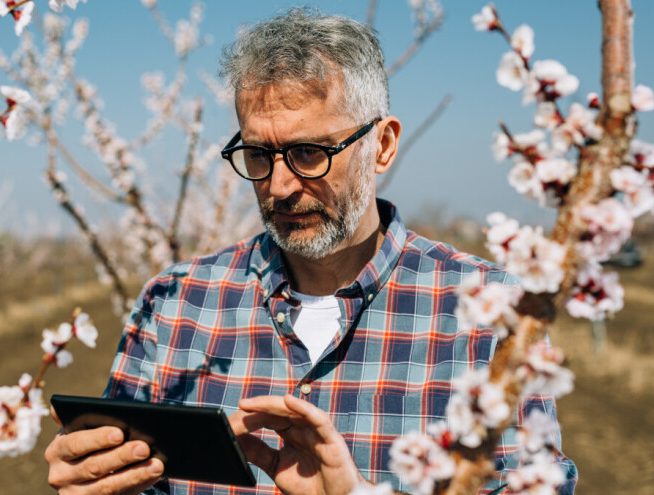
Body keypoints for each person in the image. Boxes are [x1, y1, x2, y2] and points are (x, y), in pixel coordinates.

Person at [45, 8, 577, 495]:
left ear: (383, 145)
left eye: (308, 153)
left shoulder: (492, 312)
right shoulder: (175, 303)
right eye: (258, 154)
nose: (278, 186)